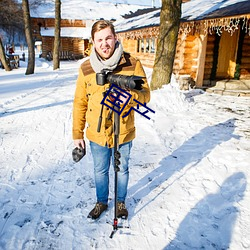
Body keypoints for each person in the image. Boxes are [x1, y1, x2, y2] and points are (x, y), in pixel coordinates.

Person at [72, 20, 150, 220]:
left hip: (123, 130)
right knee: (100, 170)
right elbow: (80, 102)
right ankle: (101, 202)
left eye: (108, 38)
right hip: (97, 133)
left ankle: (121, 202)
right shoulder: (86, 68)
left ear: (115, 38)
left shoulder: (132, 63)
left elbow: (146, 94)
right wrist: (77, 134)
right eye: (100, 40)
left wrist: (130, 97)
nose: (104, 43)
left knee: (122, 168)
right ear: (93, 42)